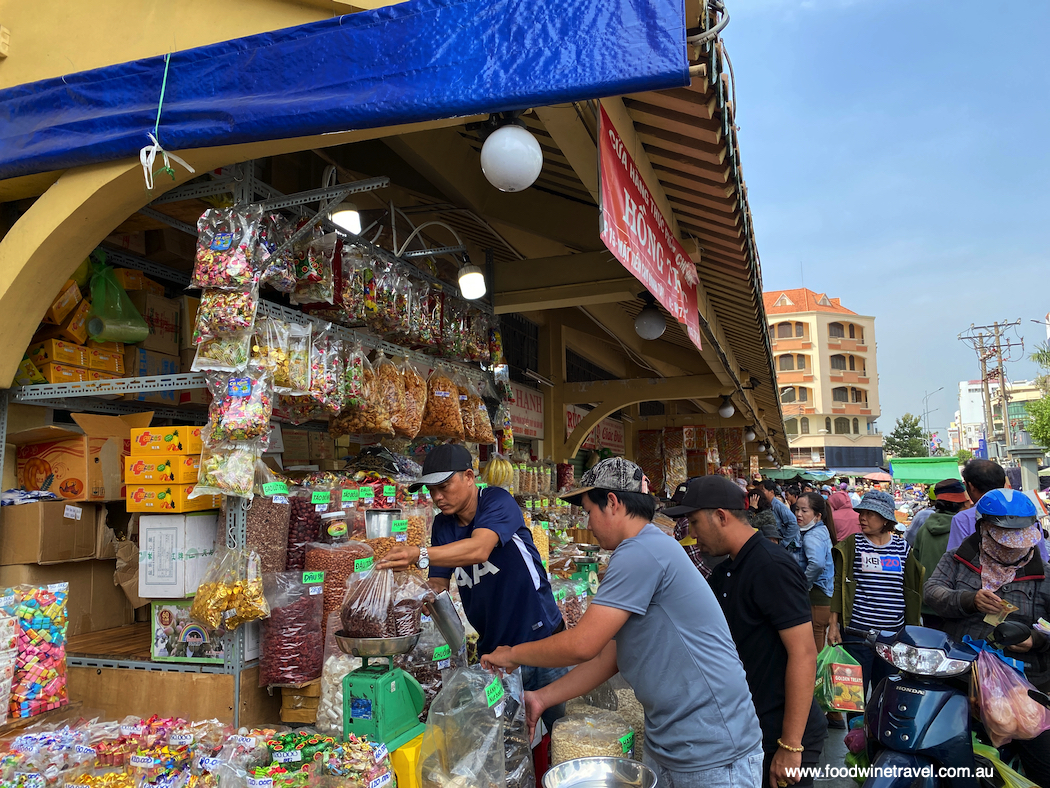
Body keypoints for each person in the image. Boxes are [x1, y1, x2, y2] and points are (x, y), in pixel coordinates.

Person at [482, 458, 764, 787]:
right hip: (675, 745)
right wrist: (542, 697)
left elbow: (582, 645)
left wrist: (512, 654)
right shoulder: (648, 546)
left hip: (712, 752)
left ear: (613, 503)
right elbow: (609, 656)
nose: (587, 522)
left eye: (589, 511)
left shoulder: (640, 551)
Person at [377, 444, 566, 728]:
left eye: (444, 486)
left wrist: (419, 554)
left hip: (542, 642)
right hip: (496, 654)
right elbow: (438, 584)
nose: (437, 497)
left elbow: (479, 549)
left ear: (468, 476)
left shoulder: (496, 500)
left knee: (558, 733)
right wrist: (401, 597)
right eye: (431, 490)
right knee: (509, 744)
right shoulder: (442, 526)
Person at [667, 475, 826, 787]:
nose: (693, 534)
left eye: (695, 522)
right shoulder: (728, 570)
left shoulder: (770, 565)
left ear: (721, 517)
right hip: (753, 728)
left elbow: (804, 654)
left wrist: (791, 746)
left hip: (786, 732)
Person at [924, 489, 1050, 784]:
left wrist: (1036, 640)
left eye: (1019, 539)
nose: (1013, 549)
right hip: (959, 678)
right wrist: (969, 600)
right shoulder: (956, 560)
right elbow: (933, 593)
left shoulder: (1044, 574)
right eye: (1003, 538)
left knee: (1043, 763)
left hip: (1023, 688)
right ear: (983, 530)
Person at [827, 490, 924, 714]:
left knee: (888, 692)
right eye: (862, 512)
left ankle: (879, 741)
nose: (863, 518)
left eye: (870, 514)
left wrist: (912, 630)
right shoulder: (852, 546)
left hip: (892, 636)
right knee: (853, 696)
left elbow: (910, 591)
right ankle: (855, 739)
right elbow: (839, 586)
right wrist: (834, 624)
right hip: (857, 633)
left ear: (885, 519)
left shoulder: (902, 549)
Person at [948, 459, 1050, 560]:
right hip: (1029, 575)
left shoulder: (963, 519)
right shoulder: (1027, 512)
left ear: (970, 486)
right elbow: (1042, 557)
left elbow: (957, 560)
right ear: (1003, 481)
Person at [909, 479, 968, 630]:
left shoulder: (924, 527)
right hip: (955, 603)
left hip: (927, 603)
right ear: (962, 503)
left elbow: (914, 564)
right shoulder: (964, 528)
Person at [794, 493, 836, 656]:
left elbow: (817, 563)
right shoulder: (820, 529)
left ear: (817, 515)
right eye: (797, 509)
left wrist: (804, 583)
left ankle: (817, 680)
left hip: (817, 599)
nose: (798, 514)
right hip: (823, 597)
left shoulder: (812, 535)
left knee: (815, 651)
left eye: (804, 511)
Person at [760, 479, 801, 550]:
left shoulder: (778, 506)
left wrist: (783, 543)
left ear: (771, 492)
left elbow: (793, 523)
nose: (760, 493)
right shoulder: (766, 505)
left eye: (762, 490)